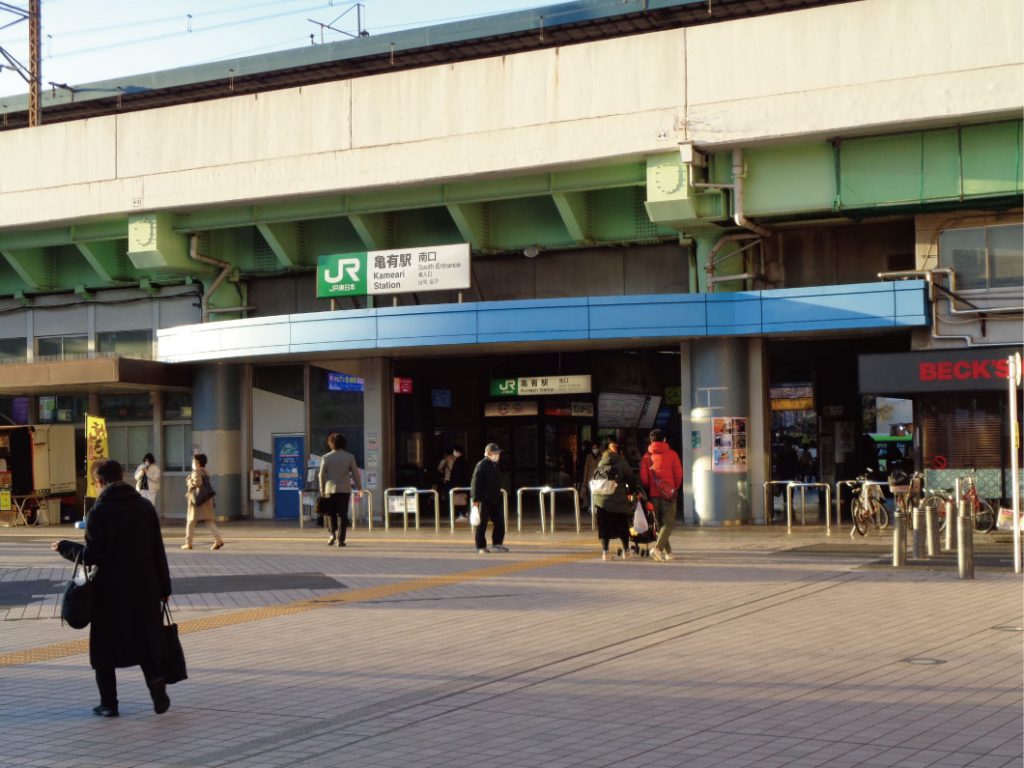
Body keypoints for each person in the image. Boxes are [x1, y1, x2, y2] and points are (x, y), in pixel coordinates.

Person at [51, 459, 172, 718]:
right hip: (144, 588)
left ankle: (109, 704)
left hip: (109, 592)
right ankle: (157, 688)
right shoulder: (144, 506)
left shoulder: (99, 511)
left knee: (104, 650)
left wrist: (65, 547)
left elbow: (94, 556)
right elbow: (157, 550)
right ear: (121, 476)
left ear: (99, 482)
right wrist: (164, 587)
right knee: (145, 642)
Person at [639, 428, 683, 562]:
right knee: (668, 524)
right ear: (664, 439)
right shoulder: (672, 455)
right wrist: (673, 489)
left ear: (651, 440)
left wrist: (653, 487)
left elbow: (644, 479)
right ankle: (657, 549)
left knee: (660, 525)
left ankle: (669, 553)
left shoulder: (646, 457)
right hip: (668, 496)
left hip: (654, 495)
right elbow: (678, 475)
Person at [590, 439, 635, 561]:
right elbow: (631, 479)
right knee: (622, 526)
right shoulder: (622, 462)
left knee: (604, 527)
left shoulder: (601, 462)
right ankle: (626, 551)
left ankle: (605, 552)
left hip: (601, 501)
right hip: (618, 501)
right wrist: (632, 492)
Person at [318, 432, 362, 547]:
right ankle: (340, 540)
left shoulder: (326, 457)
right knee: (342, 515)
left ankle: (332, 534)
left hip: (329, 490)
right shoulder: (349, 457)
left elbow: (321, 475)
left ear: (331, 444)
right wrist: (360, 487)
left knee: (330, 513)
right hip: (344, 489)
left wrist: (322, 489)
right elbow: (356, 474)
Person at [469, 442, 508, 553]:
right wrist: (475, 500)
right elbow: (475, 483)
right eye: (495, 453)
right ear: (489, 453)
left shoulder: (495, 465)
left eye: (498, 453)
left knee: (500, 522)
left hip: (495, 499)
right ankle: (480, 546)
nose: (497, 455)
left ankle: (497, 543)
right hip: (483, 500)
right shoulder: (482, 465)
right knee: (482, 525)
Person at [183, 453, 224, 551]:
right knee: (209, 521)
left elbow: (197, 483)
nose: (192, 462)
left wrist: (189, 481)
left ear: (197, 462)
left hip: (197, 500)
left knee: (190, 521)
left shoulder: (196, 471)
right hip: (205, 499)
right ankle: (218, 540)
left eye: (193, 461)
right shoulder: (205, 471)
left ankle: (188, 543)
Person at [438, 446, 471, 521]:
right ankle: (464, 513)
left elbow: (439, 468)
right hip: (462, 483)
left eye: (455, 451)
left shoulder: (451, 459)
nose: (454, 453)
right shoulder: (464, 460)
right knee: (462, 498)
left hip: (452, 481)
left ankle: (459, 513)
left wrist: (443, 473)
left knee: (454, 498)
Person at [580, 441, 601, 510]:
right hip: (590, 477)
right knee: (590, 492)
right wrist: (584, 480)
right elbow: (586, 468)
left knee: (597, 493)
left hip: (598, 477)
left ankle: (596, 506)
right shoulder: (588, 457)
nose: (595, 450)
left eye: (596, 448)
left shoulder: (601, 456)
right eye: (593, 448)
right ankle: (591, 506)